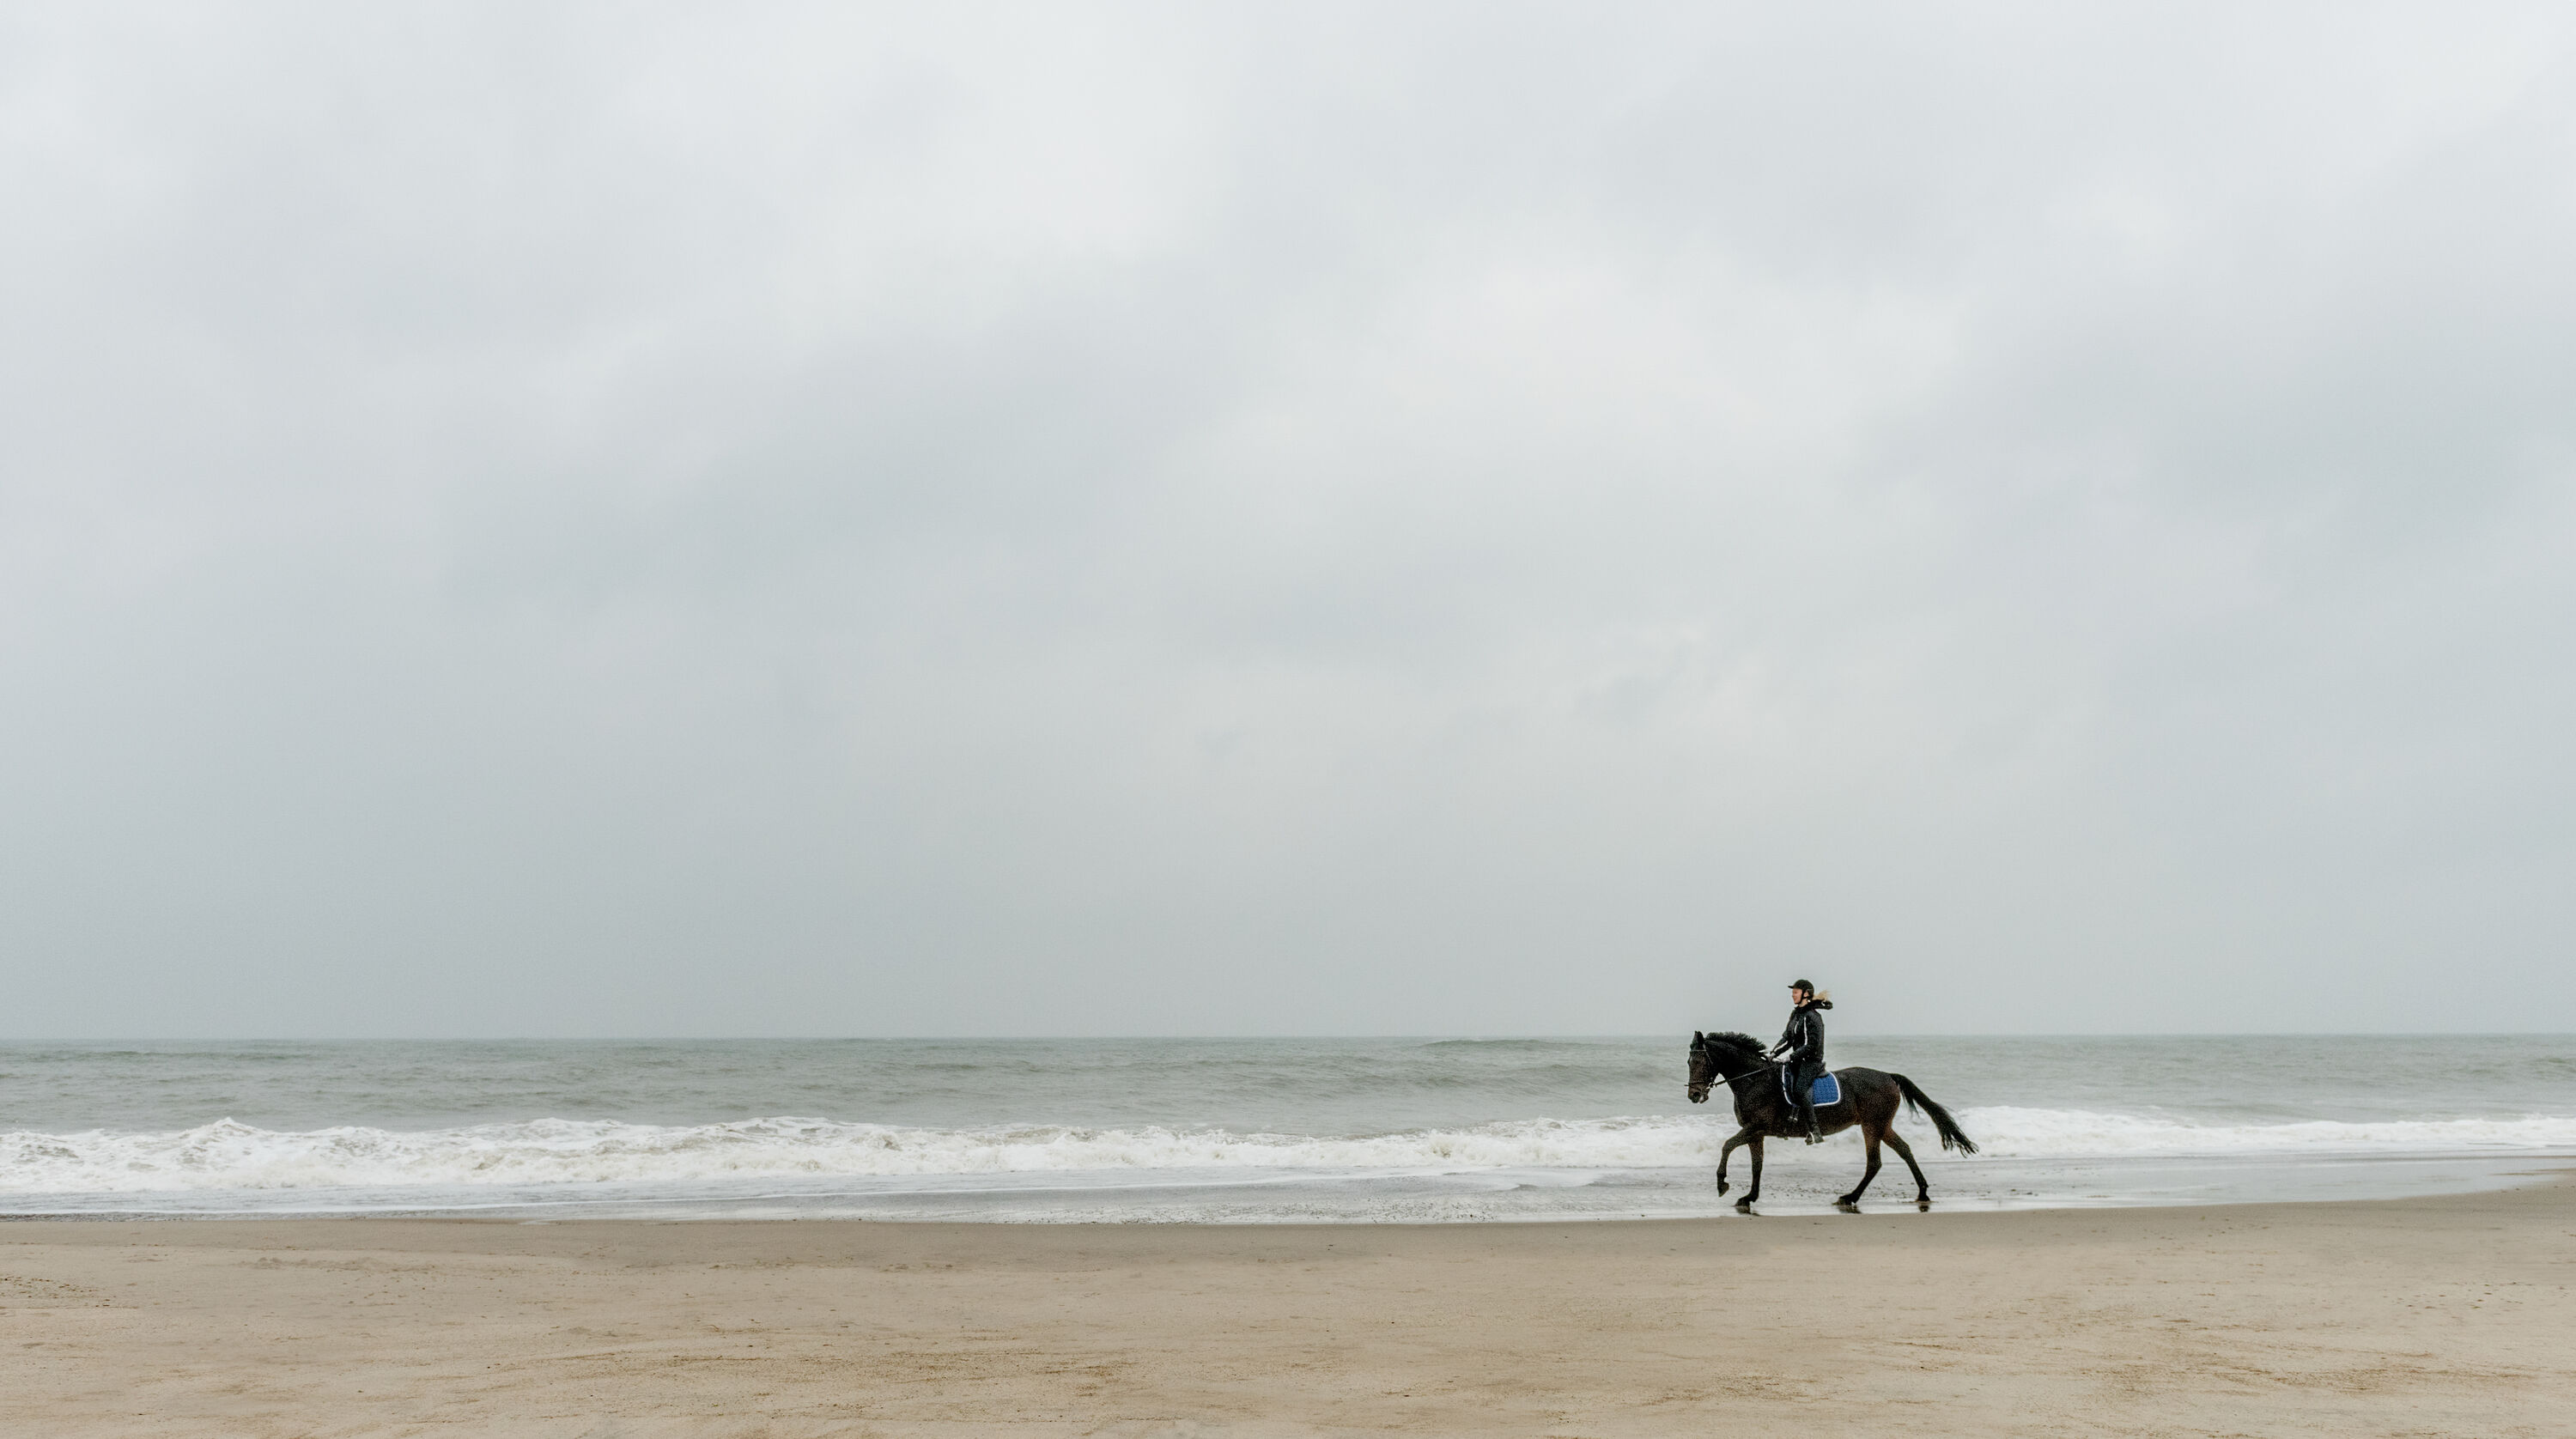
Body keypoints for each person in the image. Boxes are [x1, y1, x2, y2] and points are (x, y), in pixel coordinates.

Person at [1768, 980, 1832, 1144]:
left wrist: (1791, 1057)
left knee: (1800, 1089)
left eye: (1795, 992)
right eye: (1792, 992)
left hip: (1812, 1062)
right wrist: (1773, 1053)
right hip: (1798, 1061)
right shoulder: (1796, 1014)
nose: (1792, 995)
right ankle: (1788, 1123)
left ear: (1806, 994)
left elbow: (1812, 1045)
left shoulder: (1813, 1017)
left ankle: (1815, 1131)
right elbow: (1787, 1038)